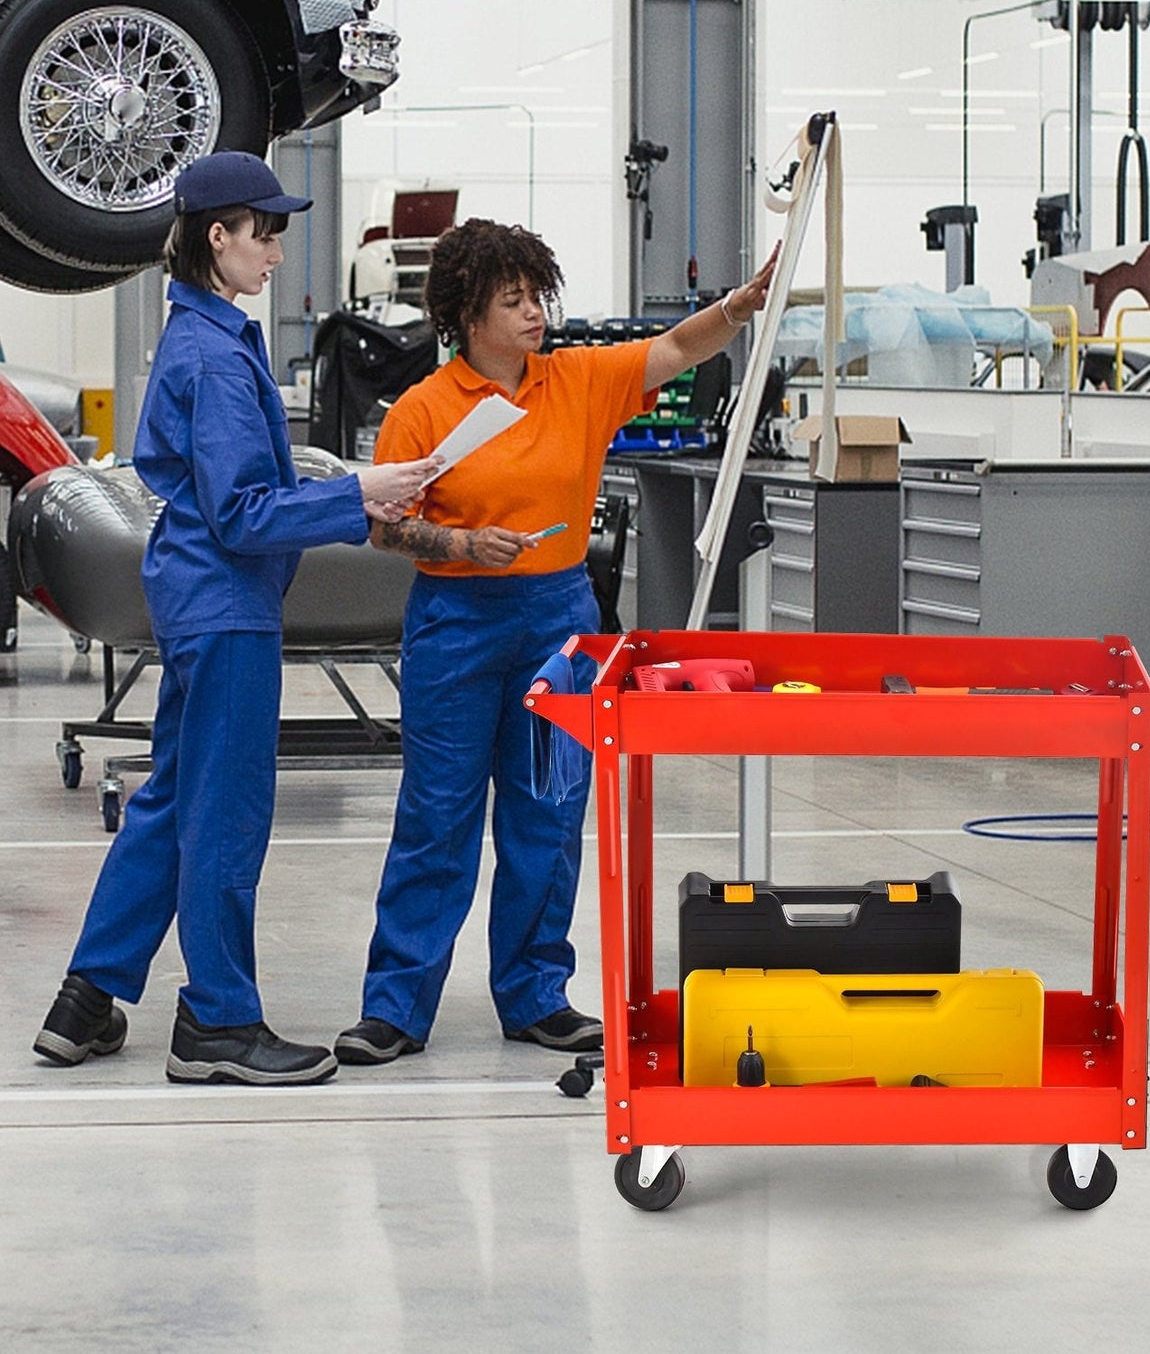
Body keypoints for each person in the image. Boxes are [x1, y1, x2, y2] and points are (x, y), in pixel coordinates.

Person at [33, 151, 439, 1086]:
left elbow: (237, 488)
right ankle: (216, 1023)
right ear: (217, 238)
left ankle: (85, 998)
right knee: (224, 815)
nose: (277, 254)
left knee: (174, 798)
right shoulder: (214, 355)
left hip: (205, 601)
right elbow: (243, 512)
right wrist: (360, 495)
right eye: (265, 234)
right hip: (225, 608)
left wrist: (338, 484)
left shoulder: (209, 337)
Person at [335, 219, 778, 1062]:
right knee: (438, 817)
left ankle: (537, 991)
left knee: (547, 811)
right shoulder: (423, 411)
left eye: (538, 295)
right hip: (455, 623)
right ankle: (395, 1005)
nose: (535, 313)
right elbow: (383, 530)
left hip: (557, 618)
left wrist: (739, 305)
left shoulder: (577, 380)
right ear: (468, 315)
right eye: (514, 300)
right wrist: (461, 545)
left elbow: (676, 348)